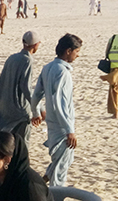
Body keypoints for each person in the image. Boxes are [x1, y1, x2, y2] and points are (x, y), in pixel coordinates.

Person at [31, 33, 82, 187]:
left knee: (57, 163)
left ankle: (39, 186)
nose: (77, 56)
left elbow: (35, 96)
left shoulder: (48, 68)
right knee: (60, 169)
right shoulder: (63, 72)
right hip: (61, 128)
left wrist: (36, 112)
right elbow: (60, 103)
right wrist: (69, 131)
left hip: (53, 125)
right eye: (77, 52)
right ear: (68, 51)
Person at [0, 31, 41, 143]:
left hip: (5, 107)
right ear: (36, 45)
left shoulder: (12, 58)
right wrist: (36, 111)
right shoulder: (27, 60)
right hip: (20, 111)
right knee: (21, 143)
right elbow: (26, 88)